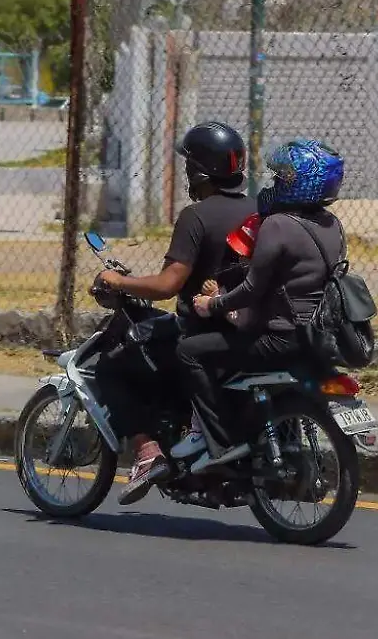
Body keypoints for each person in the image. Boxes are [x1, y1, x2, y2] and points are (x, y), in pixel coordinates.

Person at [94, 121, 257, 505]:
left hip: (201, 332)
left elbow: (169, 284)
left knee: (111, 363)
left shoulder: (196, 216)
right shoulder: (259, 209)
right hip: (246, 331)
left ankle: (147, 453)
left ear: (199, 171)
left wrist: (118, 282)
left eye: (189, 166)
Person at [167, 138, 347, 475]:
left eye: (282, 179)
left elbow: (252, 289)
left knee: (189, 351)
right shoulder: (332, 225)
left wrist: (213, 304)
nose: (274, 184)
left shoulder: (278, 225)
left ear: (302, 183)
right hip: (314, 337)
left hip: (276, 338)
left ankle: (216, 439)